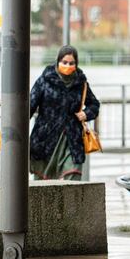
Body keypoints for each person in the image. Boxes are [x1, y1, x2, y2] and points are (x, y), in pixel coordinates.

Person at [29, 45, 100, 181]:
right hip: (46, 138)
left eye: (71, 63)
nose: (68, 65)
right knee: (43, 183)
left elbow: (94, 104)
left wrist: (86, 113)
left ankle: (69, 203)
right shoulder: (44, 80)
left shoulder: (81, 82)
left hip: (71, 139)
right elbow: (30, 106)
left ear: (76, 63)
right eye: (64, 62)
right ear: (58, 62)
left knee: (72, 177)